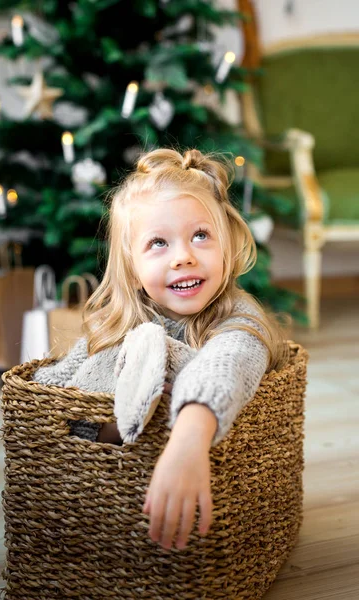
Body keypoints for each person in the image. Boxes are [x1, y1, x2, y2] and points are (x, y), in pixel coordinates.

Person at [36, 147, 289, 551]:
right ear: (133, 269)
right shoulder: (122, 324)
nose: (184, 257)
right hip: (106, 506)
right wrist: (89, 424)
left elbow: (227, 366)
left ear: (226, 245)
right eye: (158, 243)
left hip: (194, 451)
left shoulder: (239, 319)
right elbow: (50, 394)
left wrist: (189, 439)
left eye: (201, 236)